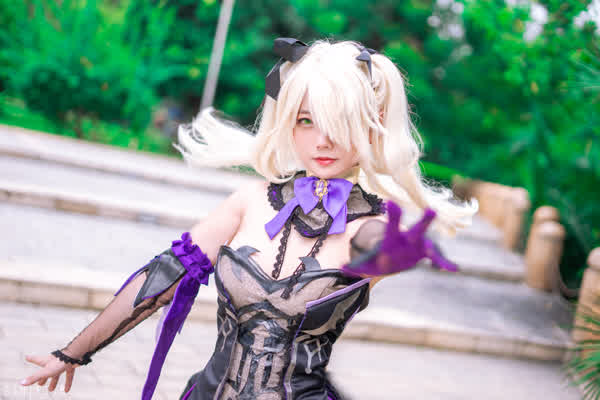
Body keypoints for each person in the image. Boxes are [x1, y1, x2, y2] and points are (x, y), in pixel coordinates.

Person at [20, 38, 476, 399]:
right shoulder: (250, 200)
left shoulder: (365, 226)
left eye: (340, 123)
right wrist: (72, 353)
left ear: (370, 127)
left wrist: (393, 253)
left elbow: (374, 244)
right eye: (306, 121)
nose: (323, 140)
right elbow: (162, 277)